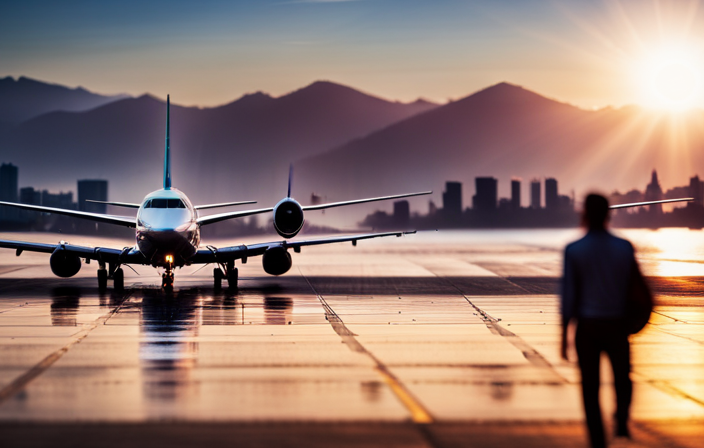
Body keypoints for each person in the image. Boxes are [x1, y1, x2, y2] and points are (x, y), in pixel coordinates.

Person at [561, 193, 639, 448]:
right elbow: (634, 287)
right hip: (617, 325)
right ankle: (621, 420)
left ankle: (597, 440)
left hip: (588, 327)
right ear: (609, 214)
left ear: (585, 214)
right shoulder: (624, 247)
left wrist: (564, 336)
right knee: (623, 379)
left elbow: (569, 296)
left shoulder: (574, 249)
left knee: (590, 388)